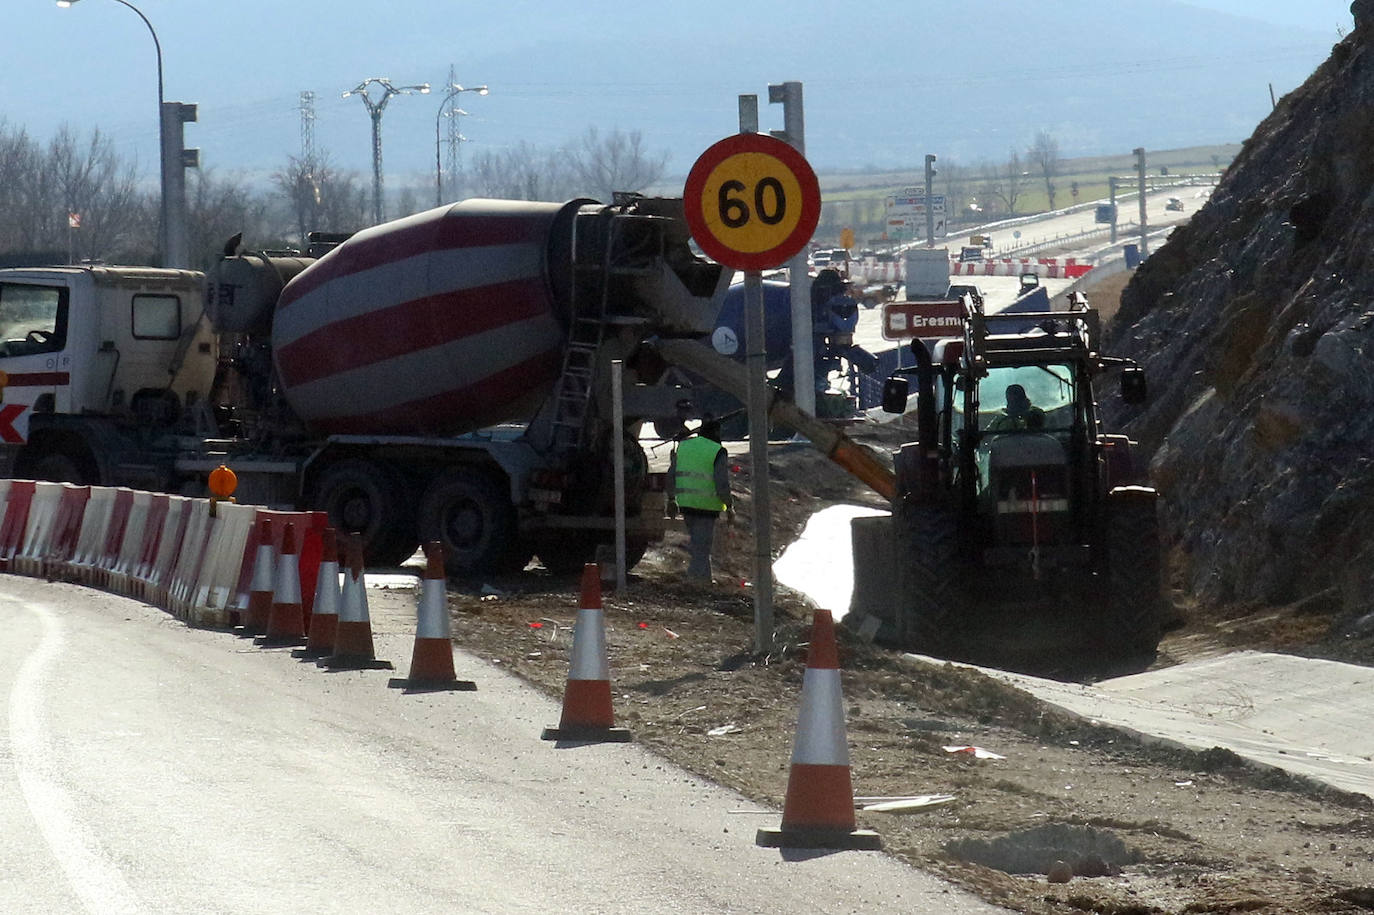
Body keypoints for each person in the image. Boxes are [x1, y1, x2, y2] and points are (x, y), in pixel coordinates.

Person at [666, 419, 734, 583]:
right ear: (716, 433)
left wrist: (671, 499)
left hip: (686, 505)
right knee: (701, 549)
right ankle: (694, 582)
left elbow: (671, 475)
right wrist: (730, 506)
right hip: (706, 508)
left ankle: (705, 580)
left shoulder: (685, 447)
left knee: (700, 547)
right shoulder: (717, 451)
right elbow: (722, 484)